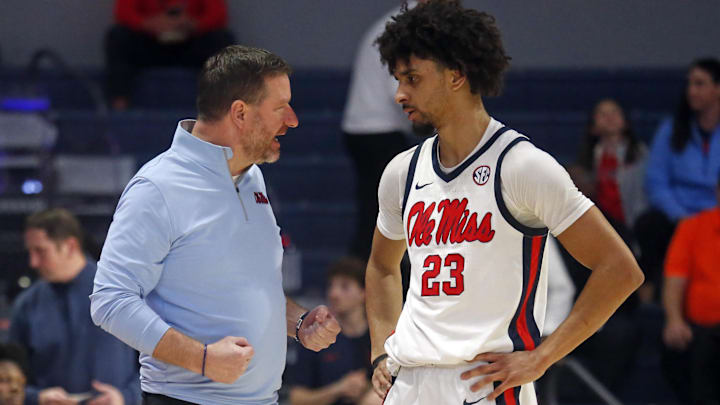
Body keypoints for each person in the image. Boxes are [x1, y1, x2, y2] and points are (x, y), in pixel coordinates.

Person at [364, 2, 644, 404]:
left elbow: (620, 269)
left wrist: (542, 358)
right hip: (408, 384)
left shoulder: (522, 166)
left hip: (485, 385)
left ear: (456, 75)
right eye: (397, 79)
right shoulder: (401, 172)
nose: (399, 94)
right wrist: (379, 352)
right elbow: (380, 265)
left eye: (412, 78)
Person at [90, 45, 341, 405]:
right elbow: (110, 301)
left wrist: (298, 323)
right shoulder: (159, 187)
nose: (292, 120)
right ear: (240, 112)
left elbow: (243, 288)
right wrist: (202, 359)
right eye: (279, 108)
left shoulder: (252, 178)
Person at [8, 208, 140, 405]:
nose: (33, 262)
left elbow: (161, 362)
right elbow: (8, 375)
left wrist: (126, 397)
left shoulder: (122, 292)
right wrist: (35, 397)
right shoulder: (26, 306)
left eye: (41, 251)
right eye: (30, 252)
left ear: (70, 246)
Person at [342, 1, 425, 259]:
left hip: (363, 128)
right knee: (385, 218)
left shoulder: (396, 23)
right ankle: (365, 283)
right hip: (378, 132)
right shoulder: (408, 30)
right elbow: (399, 91)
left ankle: (360, 281)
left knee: (375, 213)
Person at [637, 57, 720, 298]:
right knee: (648, 224)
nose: (691, 91)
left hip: (715, 215)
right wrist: (681, 216)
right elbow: (655, 181)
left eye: (699, 84)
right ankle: (648, 291)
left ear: (717, 88)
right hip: (678, 215)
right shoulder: (671, 129)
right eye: (689, 84)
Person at [105, 0, 234, 110]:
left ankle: (219, 108)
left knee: (222, 39)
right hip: (150, 43)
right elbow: (123, 12)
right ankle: (119, 107)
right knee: (118, 37)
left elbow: (218, 14)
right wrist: (150, 24)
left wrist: (192, 24)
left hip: (190, 44)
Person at [661, 169, 720, 404]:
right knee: (693, 347)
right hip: (703, 329)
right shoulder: (693, 227)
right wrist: (674, 319)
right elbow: (675, 279)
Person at [288, 257, 381, 405]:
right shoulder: (316, 336)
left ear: (364, 293)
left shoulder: (380, 337)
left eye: (345, 287)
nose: (334, 294)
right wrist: (339, 388)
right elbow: (297, 399)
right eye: (331, 286)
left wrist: (369, 390)